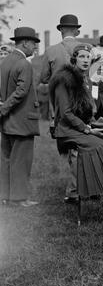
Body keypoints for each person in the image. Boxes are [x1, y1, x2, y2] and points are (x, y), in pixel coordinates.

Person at [49, 43, 103, 232]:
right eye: (81, 57)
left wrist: (99, 125)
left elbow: (89, 112)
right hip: (68, 132)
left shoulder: (86, 80)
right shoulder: (64, 80)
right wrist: (88, 130)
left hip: (82, 129)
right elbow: (65, 114)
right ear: (74, 59)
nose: (86, 60)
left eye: (88, 57)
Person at [40, 14, 82, 203]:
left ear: (61, 30)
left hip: (59, 105)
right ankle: (85, 187)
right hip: (82, 103)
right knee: (83, 146)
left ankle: (74, 191)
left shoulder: (51, 50)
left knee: (69, 145)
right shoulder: (87, 49)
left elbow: (43, 77)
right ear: (76, 30)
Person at [0, 27, 41, 207]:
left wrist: (2, 108)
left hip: (7, 121)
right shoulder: (24, 64)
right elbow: (21, 92)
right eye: (33, 43)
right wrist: (4, 109)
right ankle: (19, 199)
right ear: (24, 43)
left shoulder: (4, 62)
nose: (35, 48)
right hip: (22, 120)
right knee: (21, 161)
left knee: (6, 159)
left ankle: (5, 196)